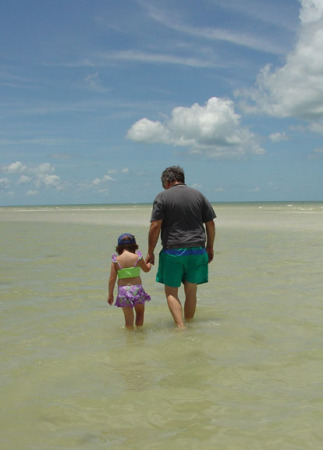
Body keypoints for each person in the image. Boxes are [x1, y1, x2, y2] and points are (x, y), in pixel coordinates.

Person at [146, 166, 216, 328]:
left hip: (173, 251)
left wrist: (150, 251)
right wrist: (210, 247)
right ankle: (190, 323)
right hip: (198, 250)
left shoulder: (162, 197)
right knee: (191, 291)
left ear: (167, 180)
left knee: (171, 292)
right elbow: (210, 223)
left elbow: (155, 225)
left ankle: (180, 326)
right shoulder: (199, 195)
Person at [108, 233, 152, 329]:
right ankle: (139, 336)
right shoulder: (137, 257)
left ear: (119, 247)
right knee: (140, 313)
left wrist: (110, 294)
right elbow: (146, 269)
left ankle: (129, 340)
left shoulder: (116, 260)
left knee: (128, 320)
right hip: (137, 289)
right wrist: (149, 262)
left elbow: (112, 279)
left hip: (123, 291)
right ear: (134, 246)